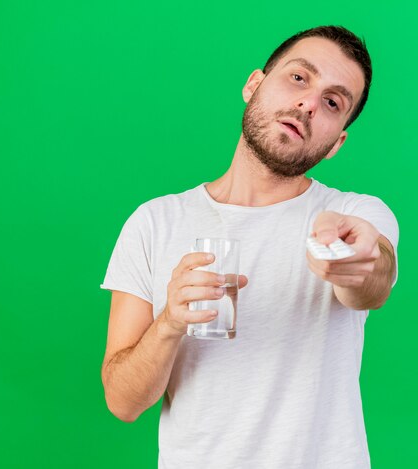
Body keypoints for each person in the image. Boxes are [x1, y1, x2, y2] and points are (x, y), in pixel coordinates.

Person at [100, 25, 399, 469]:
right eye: (299, 78)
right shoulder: (154, 222)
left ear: (336, 143)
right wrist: (168, 324)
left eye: (333, 103)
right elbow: (123, 403)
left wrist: (350, 260)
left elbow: (373, 278)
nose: (308, 104)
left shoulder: (354, 215)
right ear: (254, 84)